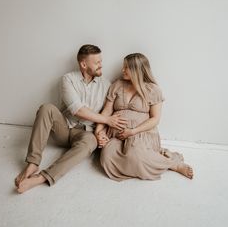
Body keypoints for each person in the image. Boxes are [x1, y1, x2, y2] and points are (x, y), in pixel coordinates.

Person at [14, 44, 127, 193]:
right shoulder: (68, 79)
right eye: (97, 62)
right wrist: (106, 120)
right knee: (46, 108)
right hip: (64, 128)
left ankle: (42, 177)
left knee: (89, 144)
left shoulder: (106, 85)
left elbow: (107, 111)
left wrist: (101, 132)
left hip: (87, 133)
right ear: (84, 64)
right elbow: (77, 110)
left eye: (101, 61)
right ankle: (33, 163)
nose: (101, 65)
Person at [95, 53, 193, 181]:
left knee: (135, 157)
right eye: (123, 67)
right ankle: (151, 156)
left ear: (137, 70)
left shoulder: (153, 90)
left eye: (126, 67)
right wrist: (99, 131)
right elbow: (106, 111)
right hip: (116, 135)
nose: (122, 70)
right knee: (106, 158)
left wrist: (132, 131)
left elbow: (155, 119)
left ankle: (173, 164)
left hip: (140, 133)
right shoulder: (117, 85)